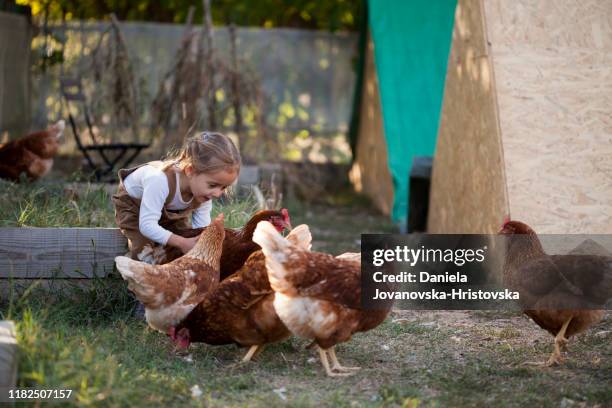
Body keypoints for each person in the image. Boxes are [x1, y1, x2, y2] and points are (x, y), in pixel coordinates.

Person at [112, 131, 240, 263]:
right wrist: (182, 242)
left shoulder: (203, 194)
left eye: (224, 187)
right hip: (134, 207)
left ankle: (171, 273)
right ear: (190, 170)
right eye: (213, 185)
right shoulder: (159, 180)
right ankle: (133, 269)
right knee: (145, 253)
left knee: (181, 242)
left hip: (168, 211)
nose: (218, 194)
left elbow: (200, 230)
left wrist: (201, 246)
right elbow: (147, 225)